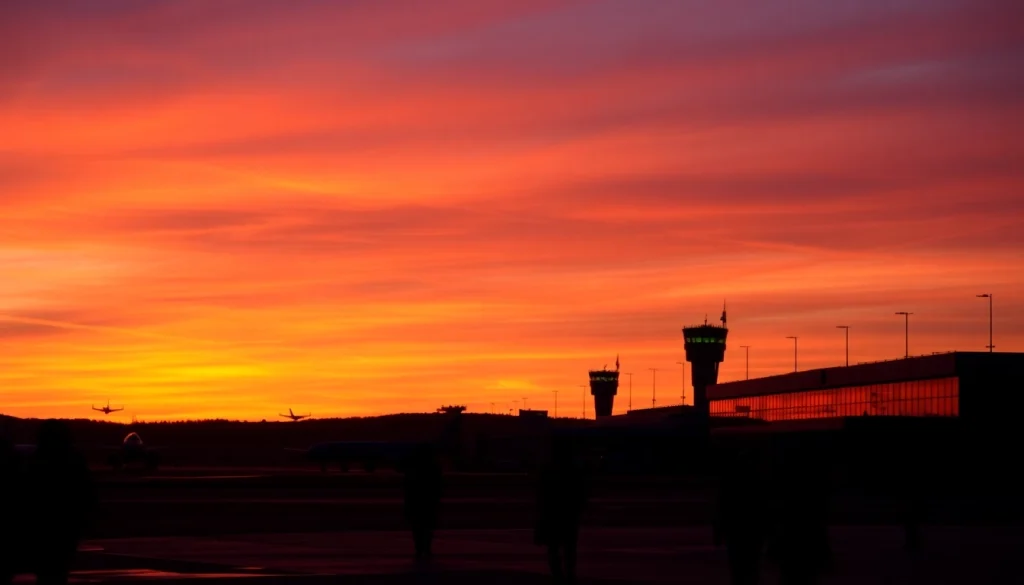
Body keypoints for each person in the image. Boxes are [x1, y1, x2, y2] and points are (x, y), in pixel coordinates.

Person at [24, 420, 95, 585]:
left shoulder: (35, 460)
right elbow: (87, 491)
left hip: (43, 524)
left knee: (46, 569)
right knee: (59, 567)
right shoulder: (75, 460)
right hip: (67, 523)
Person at [535, 436, 587, 584]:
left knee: (554, 548)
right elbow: (581, 492)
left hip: (553, 515)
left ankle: (559, 575)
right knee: (569, 548)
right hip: (568, 515)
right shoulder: (574, 470)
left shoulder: (548, 470)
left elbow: (542, 495)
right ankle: (569, 575)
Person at [714, 444, 768, 585]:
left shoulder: (731, 479)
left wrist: (718, 531)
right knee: (750, 567)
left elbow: (723, 505)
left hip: (738, 531)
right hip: (750, 531)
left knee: (740, 568)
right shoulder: (758, 480)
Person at [402, 442, 442, 560]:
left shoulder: (413, 469)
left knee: (418, 527)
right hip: (427, 502)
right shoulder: (433, 467)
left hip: (418, 501)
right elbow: (438, 486)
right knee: (426, 527)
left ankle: (420, 549)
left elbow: (408, 486)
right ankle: (424, 548)